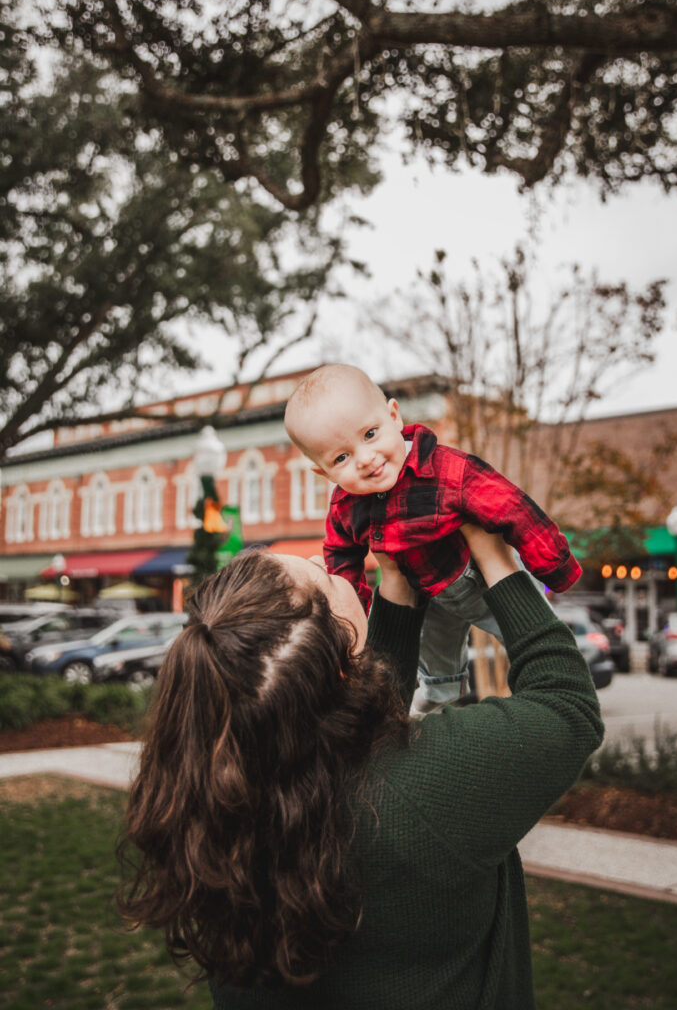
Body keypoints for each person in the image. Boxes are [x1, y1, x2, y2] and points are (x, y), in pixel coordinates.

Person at [118, 526, 604, 1009]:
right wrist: (495, 557)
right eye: (320, 575)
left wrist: (395, 582)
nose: (320, 559)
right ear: (341, 647)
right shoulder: (427, 787)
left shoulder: (218, 796)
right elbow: (567, 704)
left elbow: (353, 708)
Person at [284, 363, 582, 714]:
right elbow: (341, 560)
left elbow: (511, 507)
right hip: (428, 595)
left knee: (528, 635)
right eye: (341, 457)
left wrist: (554, 565)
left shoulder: (446, 470)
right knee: (435, 659)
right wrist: (353, 622)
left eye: (369, 435)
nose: (366, 459)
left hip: (481, 579)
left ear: (394, 416)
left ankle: (541, 693)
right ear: (323, 471)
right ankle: (439, 696)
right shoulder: (345, 507)